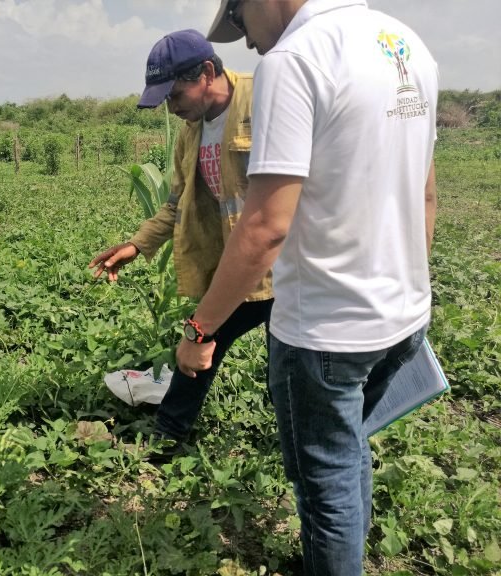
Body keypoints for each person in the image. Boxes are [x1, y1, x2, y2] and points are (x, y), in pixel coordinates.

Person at [176, 1, 438, 574]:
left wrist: (200, 329)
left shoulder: (296, 58)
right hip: (406, 318)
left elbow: (267, 226)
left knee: (327, 487)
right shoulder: (407, 44)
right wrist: (407, 287)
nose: (245, 44)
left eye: (241, 22)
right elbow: (425, 194)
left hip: (325, 331)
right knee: (347, 455)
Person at [88, 29, 273, 452]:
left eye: (175, 94)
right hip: (240, 270)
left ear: (207, 72)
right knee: (202, 344)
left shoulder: (265, 97)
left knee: (286, 366)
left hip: (291, 267)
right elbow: (176, 203)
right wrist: (136, 245)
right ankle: (167, 437)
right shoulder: (192, 131)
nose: (172, 108)